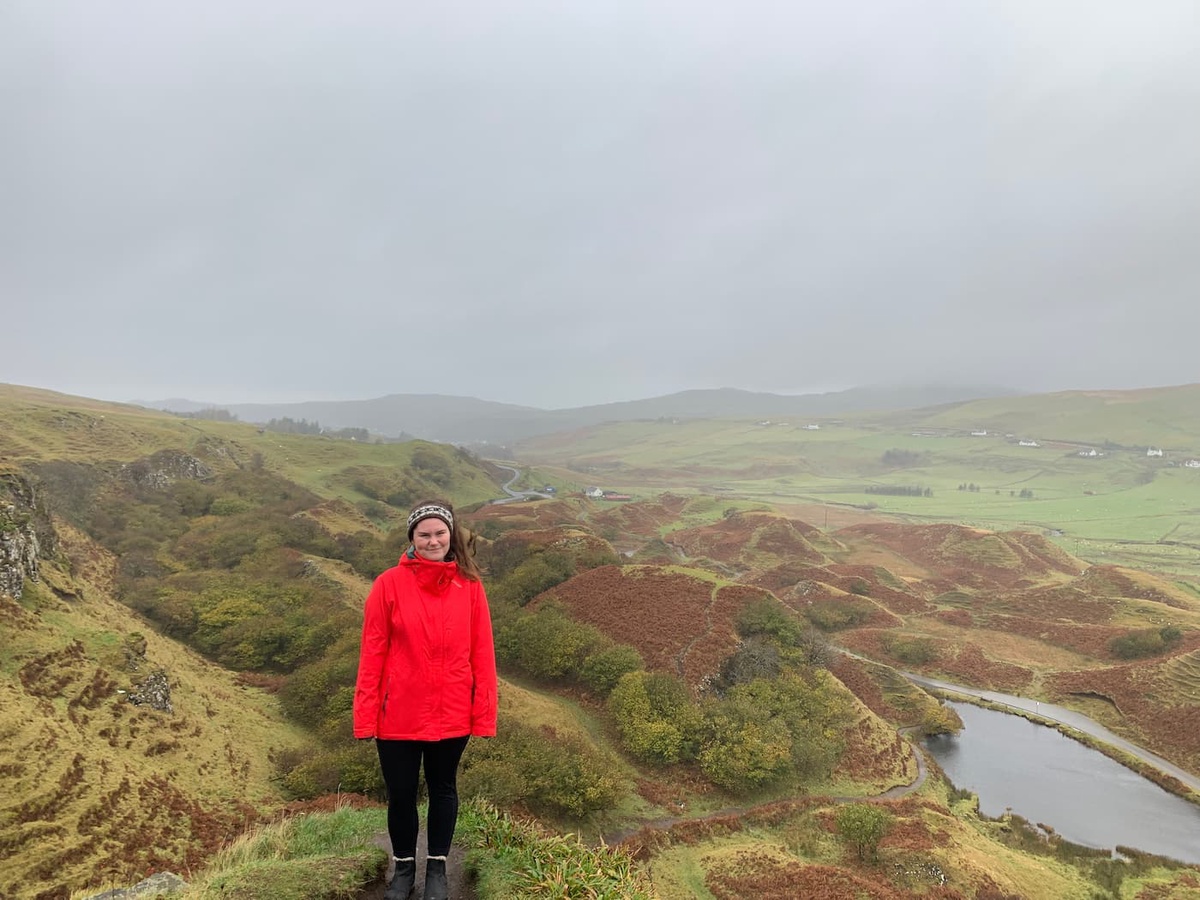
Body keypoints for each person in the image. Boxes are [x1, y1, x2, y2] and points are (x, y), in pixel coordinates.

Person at [354, 499, 497, 900]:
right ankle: (403, 870)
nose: (433, 540)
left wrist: (483, 715)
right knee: (400, 793)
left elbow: (482, 653)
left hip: (452, 711)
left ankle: (437, 869)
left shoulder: (469, 586)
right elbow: (372, 654)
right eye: (424, 534)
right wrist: (365, 716)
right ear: (412, 539)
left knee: (443, 788)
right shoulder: (388, 584)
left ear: (451, 536)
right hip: (397, 712)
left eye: (440, 533)